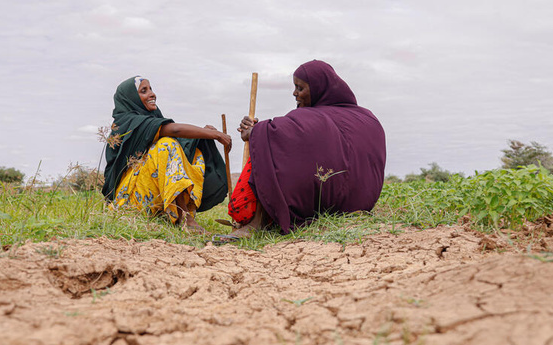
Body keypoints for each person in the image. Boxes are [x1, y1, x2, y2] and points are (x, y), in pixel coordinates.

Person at [223, 60, 386, 237]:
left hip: (327, 204)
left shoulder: (309, 119)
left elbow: (284, 136)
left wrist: (258, 134)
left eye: (300, 88)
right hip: (360, 205)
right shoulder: (368, 117)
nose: (294, 93)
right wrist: (261, 131)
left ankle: (257, 223)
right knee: (268, 137)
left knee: (267, 141)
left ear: (318, 89)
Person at [102, 76, 232, 233]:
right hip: (127, 202)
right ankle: (184, 219)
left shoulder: (151, 118)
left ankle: (170, 212)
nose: (152, 94)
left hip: (148, 195)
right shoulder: (127, 122)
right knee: (166, 145)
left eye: (151, 89)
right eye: (144, 91)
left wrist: (201, 134)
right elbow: (174, 130)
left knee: (195, 151)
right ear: (131, 98)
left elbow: (179, 143)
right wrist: (213, 135)